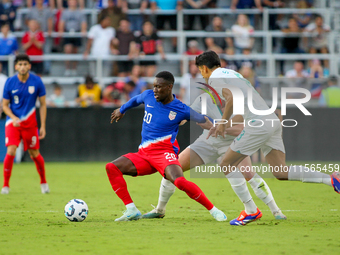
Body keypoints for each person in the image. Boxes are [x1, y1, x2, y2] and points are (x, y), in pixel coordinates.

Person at [194, 51, 340, 225]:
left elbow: (231, 99)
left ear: (204, 68)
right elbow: (241, 114)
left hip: (258, 124)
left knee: (226, 163)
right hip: (271, 120)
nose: (201, 76)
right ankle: (331, 179)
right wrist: (223, 125)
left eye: (200, 71)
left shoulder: (215, 78)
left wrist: (223, 122)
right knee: (280, 171)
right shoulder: (235, 75)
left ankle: (251, 210)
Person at [143, 93, 286, 220]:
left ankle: (275, 211)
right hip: (207, 141)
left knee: (249, 173)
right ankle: (160, 210)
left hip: (234, 144)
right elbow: (185, 116)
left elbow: (241, 130)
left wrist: (218, 127)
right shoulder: (203, 99)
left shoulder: (242, 103)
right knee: (172, 170)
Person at [107, 71, 227, 221]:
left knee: (180, 181)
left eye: (159, 87)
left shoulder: (180, 109)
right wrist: (121, 109)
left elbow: (202, 118)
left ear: (169, 87)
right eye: (154, 86)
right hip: (143, 154)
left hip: (164, 154)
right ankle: (131, 209)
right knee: (112, 167)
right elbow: (135, 100)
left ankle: (213, 210)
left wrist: (214, 125)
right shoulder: (149, 95)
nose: (155, 90)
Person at [1, 54, 49, 195]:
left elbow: (43, 104)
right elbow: (4, 105)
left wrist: (43, 126)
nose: (22, 67)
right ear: (16, 66)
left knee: (34, 153)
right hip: (13, 123)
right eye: (20, 64)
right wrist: (13, 117)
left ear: (29, 66)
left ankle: (43, 182)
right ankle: (5, 185)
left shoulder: (37, 81)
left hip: (30, 124)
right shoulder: (10, 82)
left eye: (25, 64)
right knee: (11, 150)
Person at [59, 0, 87, 76]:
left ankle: (74, 69)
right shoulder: (65, 12)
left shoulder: (80, 12)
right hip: (68, 32)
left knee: (75, 51)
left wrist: (83, 30)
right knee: (68, 50)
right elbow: (61, 23)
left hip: (77, 32)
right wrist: (61, 31)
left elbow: (83, 23)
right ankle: (67, 68)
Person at [26, 0, 54, 75]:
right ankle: (30, 69)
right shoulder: (32, 10)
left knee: (46, 51)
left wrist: (50, 30)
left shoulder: (47, 10)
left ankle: (47, 69)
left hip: (44, 33)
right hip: (35, 34)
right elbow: (27, 20)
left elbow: (50, 20)